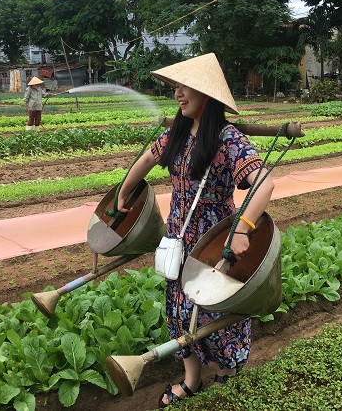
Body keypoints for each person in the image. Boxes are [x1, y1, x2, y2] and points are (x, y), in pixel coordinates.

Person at [115, 53, 274, 408]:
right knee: (177, 308)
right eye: (175, 87)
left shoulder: (227, 138)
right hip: (178, 237)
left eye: (184, 87)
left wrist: (243, 228)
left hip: (215, 240)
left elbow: (264, 182)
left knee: (217, 309)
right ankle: (191, 378)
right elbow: (146, 159)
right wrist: (125, 190)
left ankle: (227, 373)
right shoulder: (177, 132)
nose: (177, 94)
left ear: (206, 94)